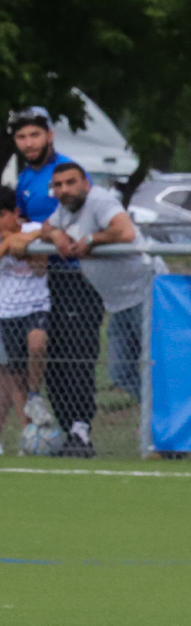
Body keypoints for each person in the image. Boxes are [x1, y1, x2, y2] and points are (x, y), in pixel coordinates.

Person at [40, 164, 159, 444]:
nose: (64, 189)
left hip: (146, 293)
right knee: (120, 372)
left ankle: (163, 424)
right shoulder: (65, 210)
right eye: (58, 185)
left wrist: (92, 239)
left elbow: (125, 232)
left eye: (71, 182)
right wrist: (56, 235)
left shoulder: (98, 200)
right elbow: (46, 228)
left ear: (86, 183)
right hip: (118, 303)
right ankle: (158, 416)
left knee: (156, 366)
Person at [8, 106, 102, 439]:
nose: (29, 142)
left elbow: (81, 218)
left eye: (35, 134)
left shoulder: (68, 173)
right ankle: (63, 431)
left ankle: (81, 428)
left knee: (78, 354)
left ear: (49, 135)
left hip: (78, 276)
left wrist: (40, 233)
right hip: (44, 282)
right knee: (54, 358)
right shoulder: (24, 179)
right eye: (22, 136)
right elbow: (22, 224)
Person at [0, 186, 50, 439]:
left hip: (35, 306)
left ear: (15, 213)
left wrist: (21, 241)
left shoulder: (33, 229)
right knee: (13, 377)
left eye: (1, 215)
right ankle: (29, 435)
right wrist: (8, 243)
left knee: (37, 343)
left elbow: (40, 269)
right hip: (6, 312)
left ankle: (35, 394)